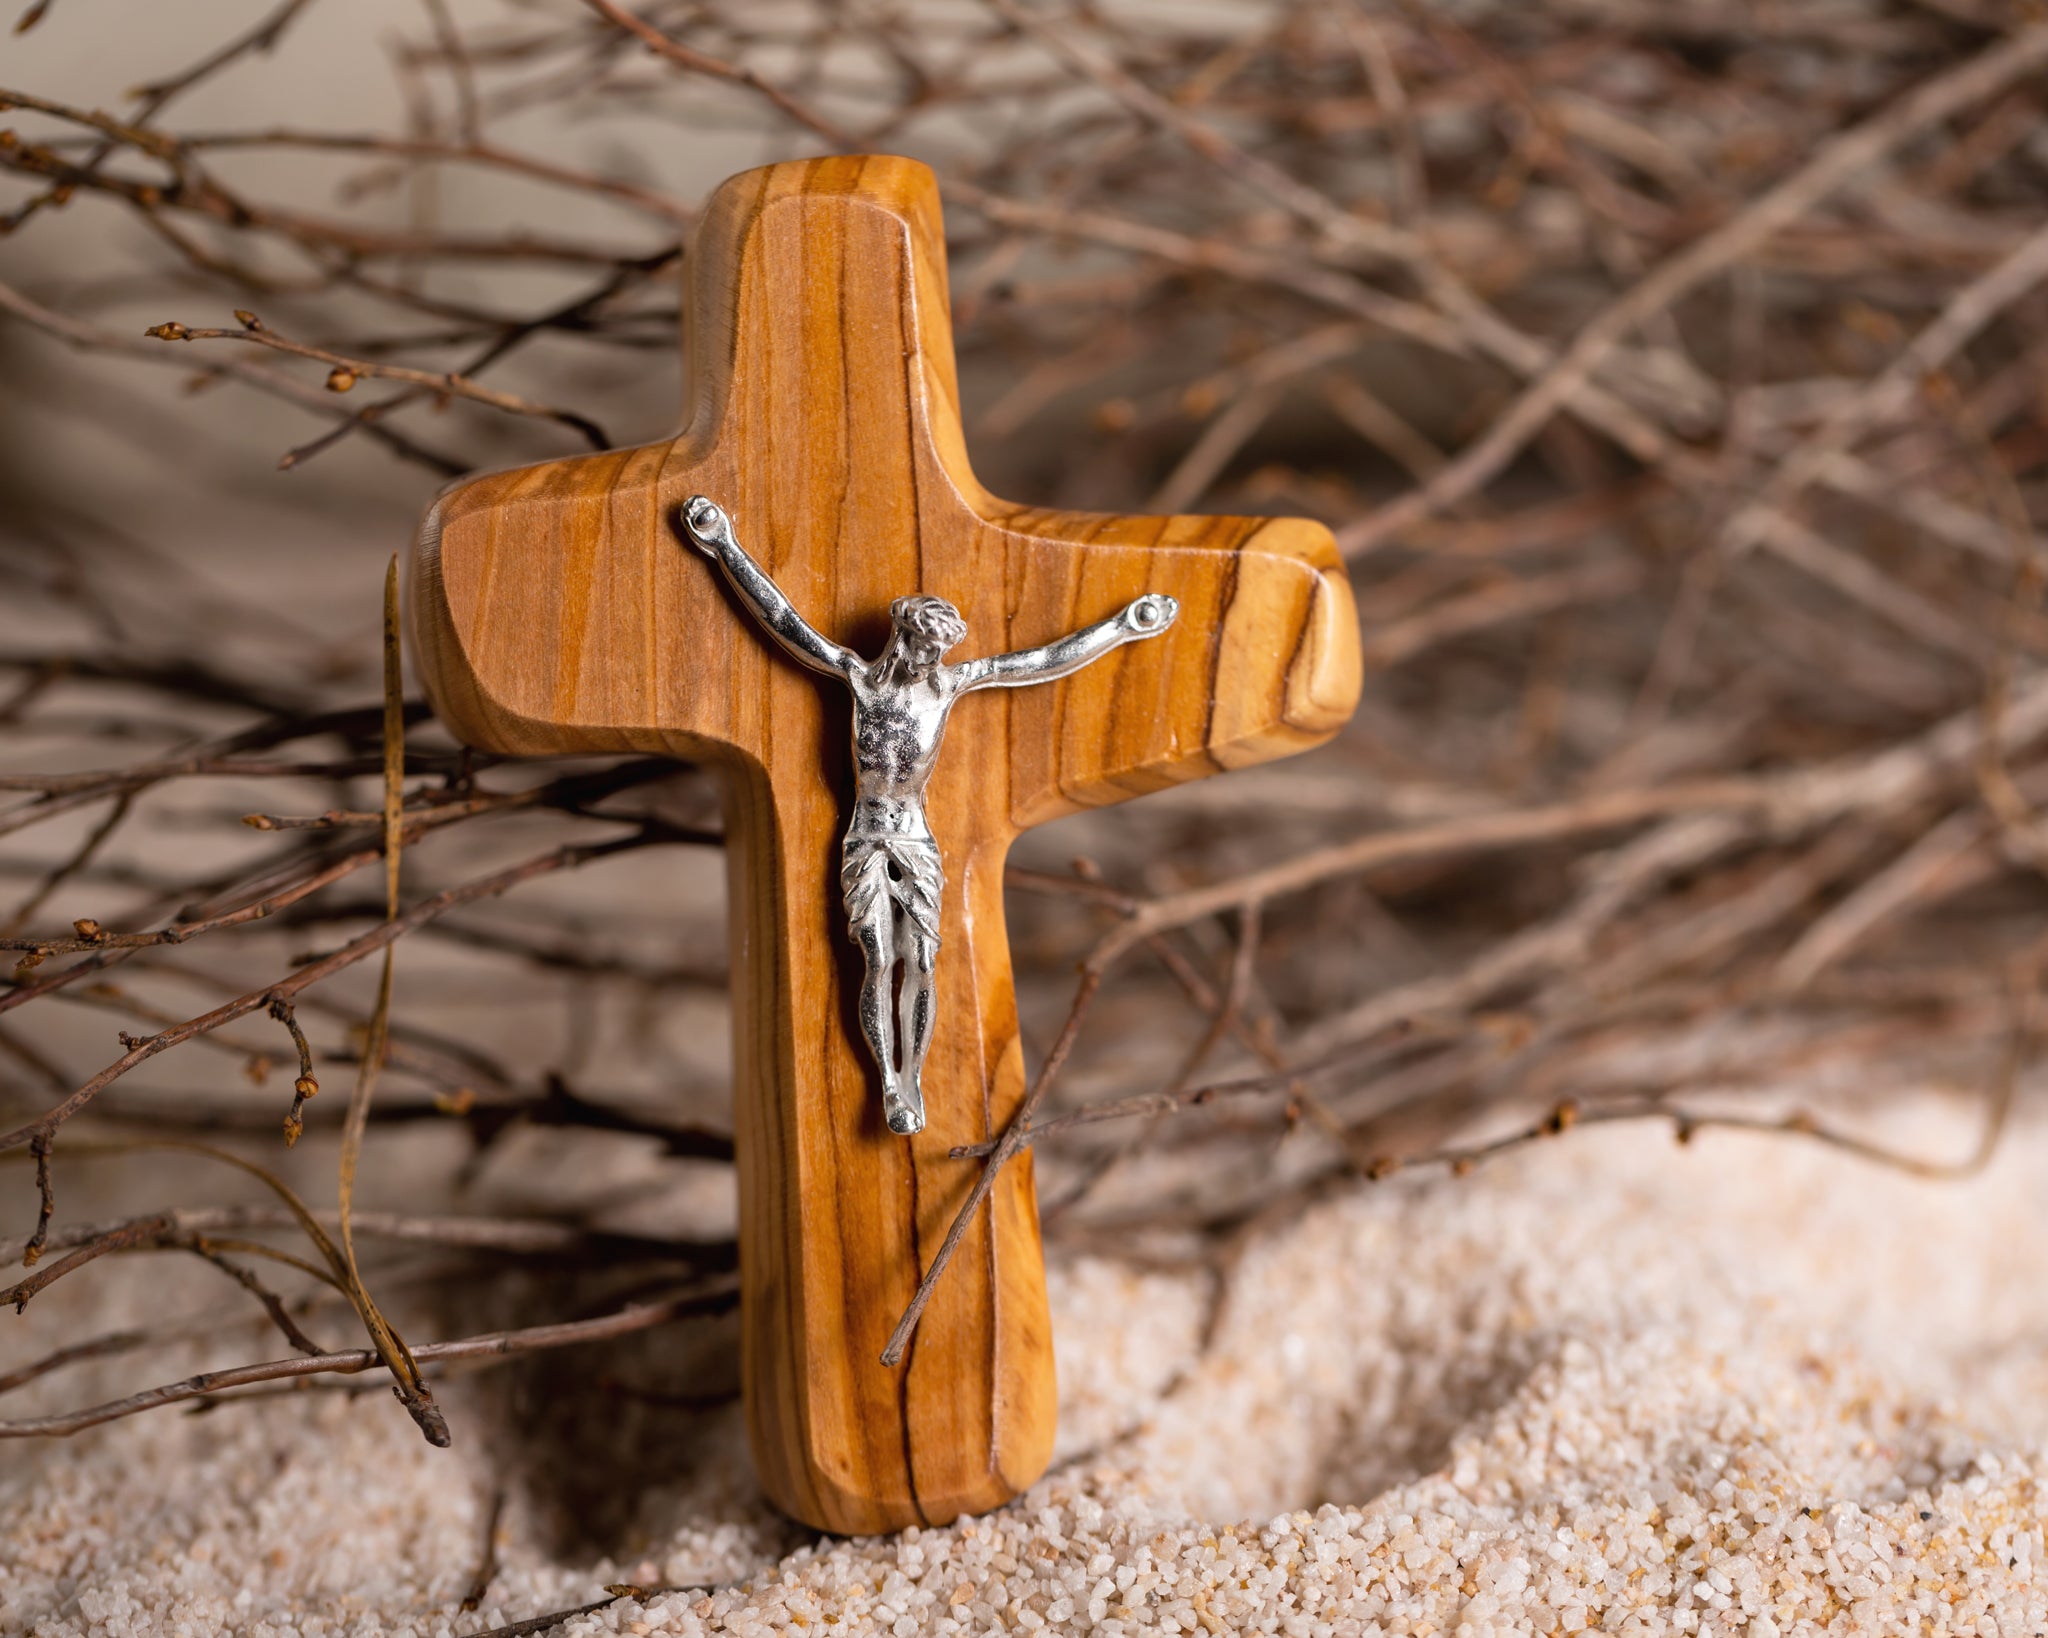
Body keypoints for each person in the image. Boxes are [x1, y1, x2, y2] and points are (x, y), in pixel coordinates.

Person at [680, 494, 1178, 1136]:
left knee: (922, 961)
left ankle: (909, 1080)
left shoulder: (947, 687)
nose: (930, 661)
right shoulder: (859, 679)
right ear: (902, 635)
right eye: (923, 647)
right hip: (865, 835)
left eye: (938, 651)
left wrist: (1122, 627)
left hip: (915, 838)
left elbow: (1041, 661)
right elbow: (783, 619)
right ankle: (887, 1080)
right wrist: (724, 544)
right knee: (876, 957)